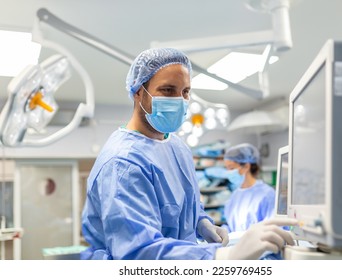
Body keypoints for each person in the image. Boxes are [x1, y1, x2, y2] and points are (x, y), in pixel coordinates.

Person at [81, 47, 297, 260]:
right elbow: (138, 253)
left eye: (185, 92)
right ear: (139, 92)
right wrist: (223, 256)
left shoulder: (178, 148)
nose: (179, 100)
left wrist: (202, 223)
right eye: (167, 90)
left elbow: (186, 208)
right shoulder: (123, 163)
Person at [223, 143, 276, 233]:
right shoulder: (235, 195)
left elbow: (273, 230)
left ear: (246, 166)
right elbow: (230, 226)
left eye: (231, 168)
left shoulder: (267, 194)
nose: (228, 172)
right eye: (227, 168)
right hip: (236, 245)